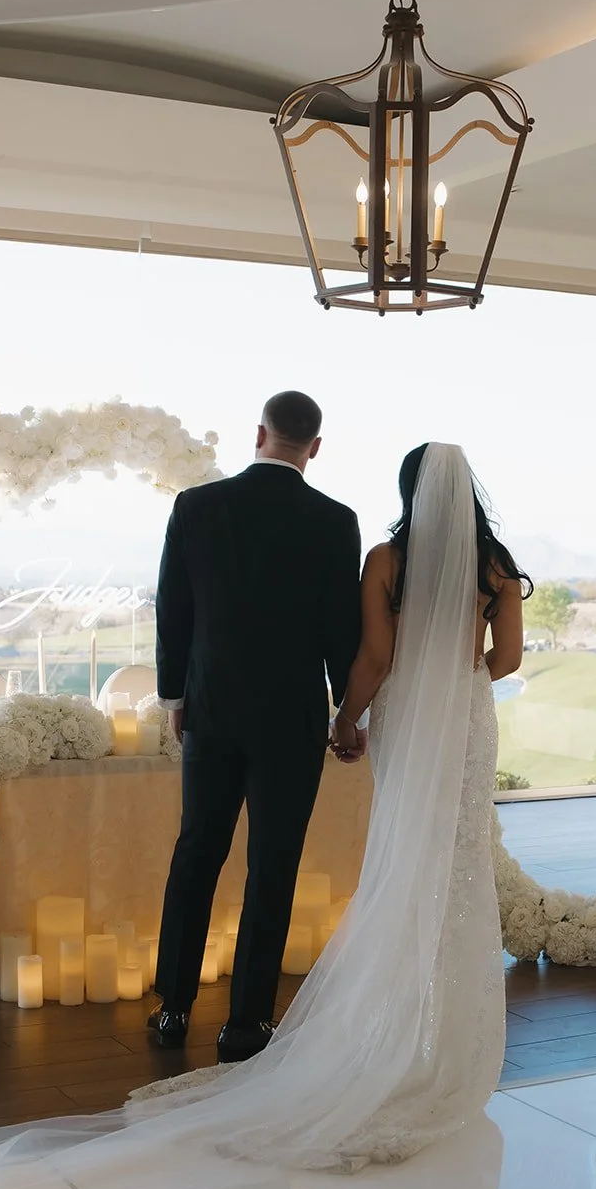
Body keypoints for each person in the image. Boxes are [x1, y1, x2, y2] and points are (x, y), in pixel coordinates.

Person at [0, 440, 532, 1183]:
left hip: (311, 716)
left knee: (320, 855)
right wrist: (455, 686)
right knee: (440, 861)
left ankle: (189, 1009)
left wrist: (341, 715)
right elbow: (504, 660)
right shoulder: (483, 564)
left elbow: (361, 656)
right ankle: (363, 1033)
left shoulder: (381, 560)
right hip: (460, 720)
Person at [148, 390, 362, 1063]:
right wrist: (344, 713)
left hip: (210, 710)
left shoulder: (197, 507)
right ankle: (245, 1024)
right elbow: (340, 628)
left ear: (259, 434)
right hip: (292, 720)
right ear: (315, 448)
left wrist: (175, 697)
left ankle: (172, 1008)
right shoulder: (335, 520)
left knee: (196, 854)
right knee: (273, 866)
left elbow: (172, 612)